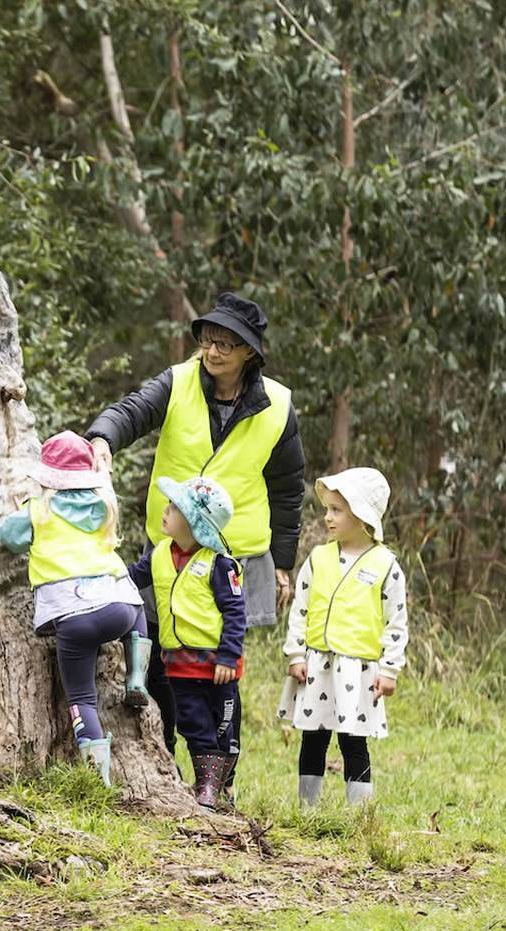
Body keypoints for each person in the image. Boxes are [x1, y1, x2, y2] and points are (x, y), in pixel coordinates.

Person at [87, 291, 305, 790]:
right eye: (209, 340)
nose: (214, 352)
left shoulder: (278, 406)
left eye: (227, 344)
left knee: (220, 669)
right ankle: (163, 761)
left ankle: (219, 778)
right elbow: (132, 412)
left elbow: (288, 489)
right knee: (159, 657)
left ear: (249, 352)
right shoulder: (178, 381)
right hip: (169, 547)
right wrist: (101, 437)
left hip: (238, 551)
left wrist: (283, 563)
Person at [0, 431, 152, 787]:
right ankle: (137, 678)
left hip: (73, 616)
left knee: (82, 697)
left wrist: (19, 506)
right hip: (118, 608)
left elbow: (8, 535)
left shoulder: (39, 512)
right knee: (135, 600)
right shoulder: (104, 506)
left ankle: (98, 782)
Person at [276, 468, 406, 806]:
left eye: (337, 510)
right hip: (318, 664)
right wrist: (296, 654)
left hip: (358, 670)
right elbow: (300, 609)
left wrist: (389, 669)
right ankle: (308, 807)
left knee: (353, 741)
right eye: (327, 509)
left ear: (362, 515)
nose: (328, 517)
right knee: (313, 738)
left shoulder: (384, 565)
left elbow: (396, 622)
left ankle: (359, 812)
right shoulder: (319, 558)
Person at [125, 476, 246, 810]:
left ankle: (221, 785)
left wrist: (228, 656)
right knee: (192, 722)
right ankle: (205, 784)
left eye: (175, 508)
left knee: (223, 726)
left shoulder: (219, 564)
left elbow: (235, 612)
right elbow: (131, 577)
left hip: (217, 665)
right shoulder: (159, 554)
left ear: (195, 523)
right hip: (178, 663)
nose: (165, 511)